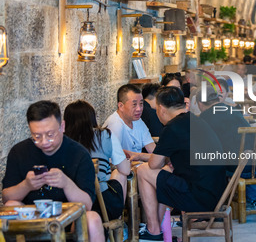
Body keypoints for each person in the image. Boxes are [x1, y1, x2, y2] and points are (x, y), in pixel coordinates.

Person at [2, 100, 105, 242]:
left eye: (50, 135)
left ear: (62, 126)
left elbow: (86, 204)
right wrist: (26, 185)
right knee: (10, 206)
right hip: (31, 224)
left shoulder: (79, 154)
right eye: (37, 136)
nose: (44, 142)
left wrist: (66, 184)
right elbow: (6, 198)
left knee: (92, 219)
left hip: (71, 224)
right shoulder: (19, 152)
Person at [137, 87, 227, 241]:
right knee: (164, 172)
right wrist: (141, 156)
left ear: (161, 108)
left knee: (143, 171)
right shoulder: (195, 120)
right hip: (216, 193)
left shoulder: (172, 127)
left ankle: (153, 231)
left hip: (200, 198)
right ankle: (159, 231)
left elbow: (153, 165)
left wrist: (140, 159)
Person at [196, 86, 256, 207]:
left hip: (239, 167)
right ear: (218, 99)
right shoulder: (233, 110)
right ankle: (254, 198)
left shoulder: (205, 118)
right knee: (242, 156)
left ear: (200, 104)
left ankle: (217, 201)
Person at [64, 100, 131, 221]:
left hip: (69, 205)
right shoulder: (104, 135)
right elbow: (125, 170)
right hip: (102, 205)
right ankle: (118, 223)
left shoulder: (62, 140)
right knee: (120, 173)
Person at [103, 84, 155, 154]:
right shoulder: (116, 125)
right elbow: (114, 160)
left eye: (141, 103)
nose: (139, 109)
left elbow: (152, 149)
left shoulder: (137, 120)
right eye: (134, 104)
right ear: (121, 106)